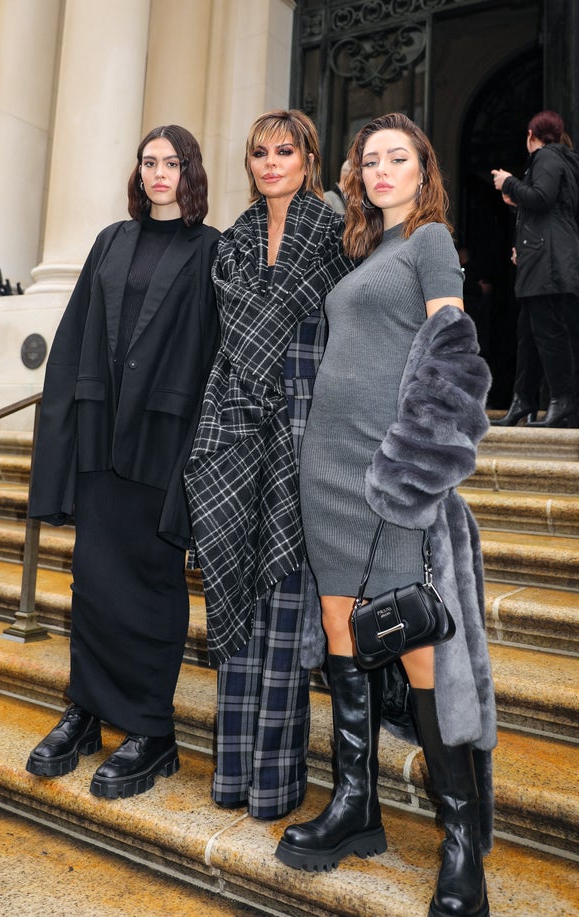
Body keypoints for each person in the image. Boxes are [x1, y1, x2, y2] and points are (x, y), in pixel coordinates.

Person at [275, 113, 496, 917]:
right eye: (369, 160)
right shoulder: (366, 248)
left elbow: (456, 353)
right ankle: (354, 806)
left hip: (384, 475)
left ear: (422, 166)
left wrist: (413, 472)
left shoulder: (431, 240)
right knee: (343, 639)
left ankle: (462, 840)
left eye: (397, 157)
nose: (381, 169)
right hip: (324, 473)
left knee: (420, 657)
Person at [25, 125, 220, 799]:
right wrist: (61, 439)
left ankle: (150, 729)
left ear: (189, 171)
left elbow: (210, 359)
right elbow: (76, 335)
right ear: (137, 173)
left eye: (171, 163)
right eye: (149, 162)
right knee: (94, 580)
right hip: (101, 436)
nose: (158, 173)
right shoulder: (111, 240)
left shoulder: (209, 250)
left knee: (151, 585)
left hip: (163, 445)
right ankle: (85, 712)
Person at [184, 110, 354, 820]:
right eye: (260, 152)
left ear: (309, 157)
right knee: (233, 599)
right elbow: (223, 347)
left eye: (286, 150)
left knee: (286, 612)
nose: (272, 162)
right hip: (236, 430)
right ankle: (233, 777)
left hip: (303, 431)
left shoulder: (338, 233)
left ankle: (275, 784)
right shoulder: (233, 241)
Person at [491, 110, 579, 427]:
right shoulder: (560, 160)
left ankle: (562, 402)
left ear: (531, 135)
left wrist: (509, 182)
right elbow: (549, 209)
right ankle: (522, 402)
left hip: (549, 265)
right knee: (528, 335)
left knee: (549, 335)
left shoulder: (546, 157)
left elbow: (542, 197)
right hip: (544, 260)